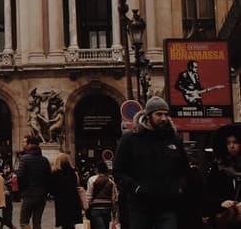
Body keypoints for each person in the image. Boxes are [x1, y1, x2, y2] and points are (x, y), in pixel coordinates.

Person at [113, 95, 188, 229]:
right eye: (159, 114)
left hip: (167, 205)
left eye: (166, 114)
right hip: (140, 207)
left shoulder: (174, 140)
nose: (163, 118)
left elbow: (183, 170)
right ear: (148, 115)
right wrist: (136, 188)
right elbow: (118, 171)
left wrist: (178, 188)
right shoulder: (130, 139)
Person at [206, 122, 241, 226]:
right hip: (227, 218)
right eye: (228, 143)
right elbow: (209, 192)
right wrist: (221, 203)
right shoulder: (219, 166)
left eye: (235, 142)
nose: (232, 146)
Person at [16, 135, 51, 229]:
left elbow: (20, 176)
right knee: (37, 222)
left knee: (24, 221)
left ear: (30, 145)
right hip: (42, 195)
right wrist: (46, 191)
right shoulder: (45, 160)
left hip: (29, 194)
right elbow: (49, 178)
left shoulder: (24, 159)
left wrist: (23, 190)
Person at [49, 153, 82, 229]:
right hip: (73, 200)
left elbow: (52, 188)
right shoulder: (73, 172)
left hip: (61, 201)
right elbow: (77, 184)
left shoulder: (55, 173)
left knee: (65, 223)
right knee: (71, 223)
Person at [85, 161, 117, 229]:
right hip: (107, 209)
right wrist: (114, 214)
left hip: (95, 209)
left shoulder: (92, 179)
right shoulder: (111, 182)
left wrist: (86, 209)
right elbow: (114, 199)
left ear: (97, 170)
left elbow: (88, 196)